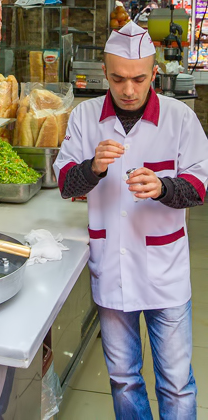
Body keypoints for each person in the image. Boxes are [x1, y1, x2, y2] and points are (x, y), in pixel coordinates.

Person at [54, 21, 208, 420]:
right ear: (104, 73)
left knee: (176, 383)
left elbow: (200, 185)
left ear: (153, 73)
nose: (128, 89)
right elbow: (66, 182)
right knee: (123, 377)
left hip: (165, 272)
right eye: (119, 78)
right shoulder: (85, 117)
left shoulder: (179, 119)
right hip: (112, 267)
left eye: (139, 79)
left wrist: (163, 187)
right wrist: (92, 168)